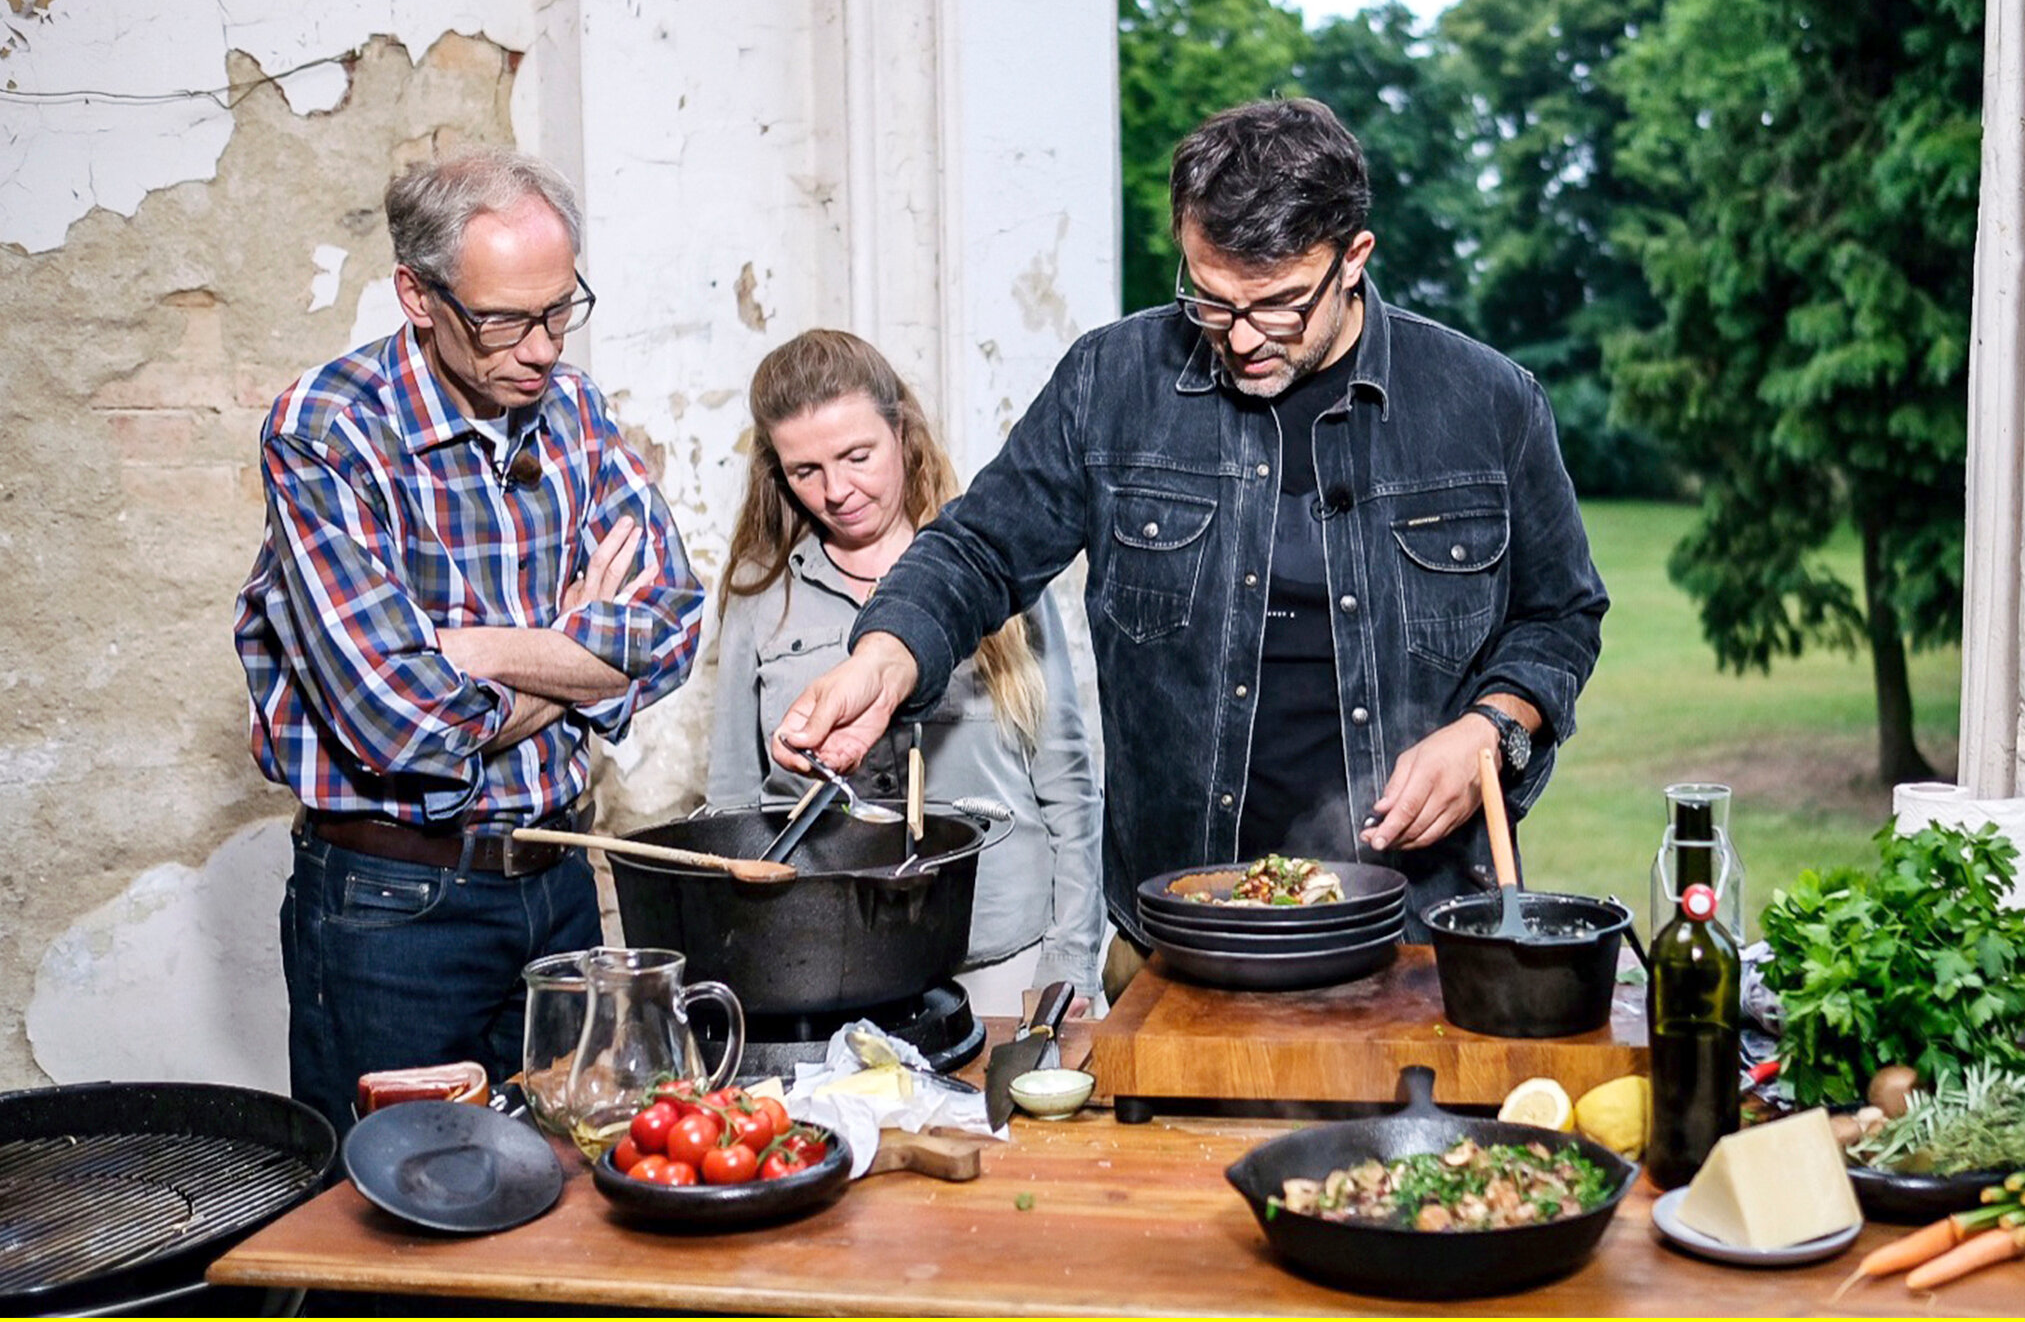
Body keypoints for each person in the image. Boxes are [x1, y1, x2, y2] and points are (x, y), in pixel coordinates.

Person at [775, 98, 1607, 964]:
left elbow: (1559, 617)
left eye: (1278, 304)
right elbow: (978, 548)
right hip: (1175, 927)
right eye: (1210, 300)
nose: (1241, 338)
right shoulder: (1112, 381)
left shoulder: (1489, 403)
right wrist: (882, 658)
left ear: (1353, 258)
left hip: (1418, 934)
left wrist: (1489, 729)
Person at [234, 146, 705, 1132]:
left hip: (561, 880)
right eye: (503, 319)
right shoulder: (329, 432)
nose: (540, 348)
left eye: (559, 309)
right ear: (417, 294)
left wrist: (484, 646)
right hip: (396, 907)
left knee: (579, 1188)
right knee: (399, 1229)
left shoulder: (571, 408)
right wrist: (578, 650)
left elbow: (668, 627)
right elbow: (399, 721)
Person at [706, 329, 1106, 1007]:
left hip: (1004, 960)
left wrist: (1067, 964)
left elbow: (1070, 791)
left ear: (901, 431)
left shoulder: (991, 570)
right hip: (830, 968)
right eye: (805, 471)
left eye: (856, 455)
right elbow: (734, 806)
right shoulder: (759, 595)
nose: (836, 490)